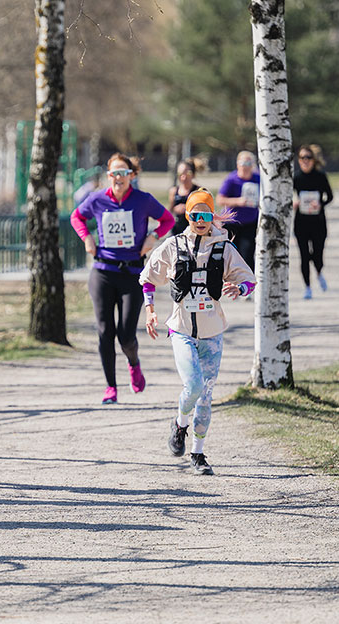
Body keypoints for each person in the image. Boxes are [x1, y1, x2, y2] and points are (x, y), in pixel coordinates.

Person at [139, 188, 256, 475]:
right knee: (192, 385)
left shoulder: (223, 248)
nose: (200, 220)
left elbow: (249, 280)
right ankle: (180, 425)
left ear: (212, 216)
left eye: (206, 214)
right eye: (195, 214)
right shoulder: (172, 246)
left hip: (212, 332)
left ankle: (198, 454)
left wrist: (238, 288)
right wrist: (150, 310)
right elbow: (147, 279)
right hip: (180, 329)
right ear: (188, 215)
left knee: (206, 393)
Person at [70, 152, 176, 404]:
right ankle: (110, 387)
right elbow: (77, 217)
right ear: (108, 177)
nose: (118, 177)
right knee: (105, 330)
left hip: (132, 274)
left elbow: (168, 219)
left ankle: (134, 363)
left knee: (126, 335)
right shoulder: (96, 200)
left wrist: (152, 237)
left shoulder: (143, 200)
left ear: (131, 176)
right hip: (103, 271)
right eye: (114, 173)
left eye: (123, 173)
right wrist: (86, 237)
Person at [293, 145, 334, 299]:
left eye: (308, 158)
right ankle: (308, 288)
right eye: (302, 158)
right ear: (299, 160)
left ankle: (319, 271)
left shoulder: (320, 176)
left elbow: (330, 196)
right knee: (304, 256)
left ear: (313, 160)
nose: (305, 161)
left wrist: (321, 204)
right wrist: (294, 202)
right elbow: (287, 195)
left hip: (318, 222)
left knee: (317, 255)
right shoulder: (296, 178)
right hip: (301, 223)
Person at [215, 151, 260, 270]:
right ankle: (229, 283)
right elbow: (220, 199)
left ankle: (248, 285)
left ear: (253, 165)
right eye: (242, 162)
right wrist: (238, 201)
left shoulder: (258, 179)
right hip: (232, 223)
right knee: (230, 255)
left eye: (248, 162)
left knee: (247, 254)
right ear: (237, 164)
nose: (245, 166)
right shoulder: (231, 179)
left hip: (250, 223)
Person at [168, 158, 203, 236]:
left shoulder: (198, 191)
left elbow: (203, 212)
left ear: (193, 174)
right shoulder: (174, 191)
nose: (183, 177)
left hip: (193, 232)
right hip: (177, 231)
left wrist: (187, 208)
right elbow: (170, 212)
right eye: (180, 174)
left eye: (187, 174)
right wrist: (175, 209)